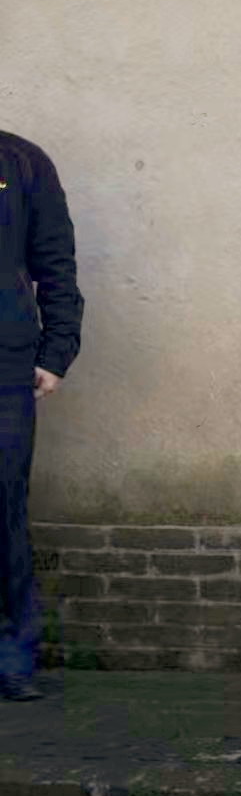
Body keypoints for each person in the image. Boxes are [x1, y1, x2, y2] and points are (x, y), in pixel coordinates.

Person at [0, 130, 84, 703]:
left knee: (2, 509)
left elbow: (56, 263)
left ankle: (10, 659)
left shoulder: (22, 162)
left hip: (5, 365)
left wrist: (56, 352)